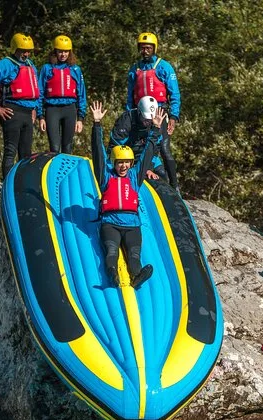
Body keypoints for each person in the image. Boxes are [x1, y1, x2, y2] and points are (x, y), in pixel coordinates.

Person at [90, 100, 165, 289]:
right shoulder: (105, 177)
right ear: (114, 163)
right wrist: (97, 124)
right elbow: (98, 153)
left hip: (132, 225)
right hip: (110, 224)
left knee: (134, 256)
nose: (123, 166)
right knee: (111, 252)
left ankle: (137, 275)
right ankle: (112, 274)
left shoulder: (134, 176)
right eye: (120, 162)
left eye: (126, 163)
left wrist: (156, 128)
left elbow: (148, 152)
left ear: (131, 164)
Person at [126, 32, 181, 190]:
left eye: (148, 48)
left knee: (164, 148)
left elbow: (175, 94)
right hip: (140, 114)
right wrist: (129, 115)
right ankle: (140, 180)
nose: (145, 51)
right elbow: (130, 96)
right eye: (143, 48)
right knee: (139, 147)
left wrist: (173, 117)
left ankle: (175, 187)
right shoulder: (134, 69)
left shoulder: (164, 67)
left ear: (154, 48)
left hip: (159, 112)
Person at [0, 33, 39, 178]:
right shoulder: (6, 64)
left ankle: (22, 184)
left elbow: (35, 88)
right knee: (10, 151)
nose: (26, 54)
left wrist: (35, 108)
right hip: (12, 112)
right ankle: (7, 185)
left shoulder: (31, 65)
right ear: (15, 49)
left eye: (28, 51)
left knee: (26, 153)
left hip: (28, 113)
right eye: (23, 51)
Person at [37, 35, 87, 153]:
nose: (63, 54)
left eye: (66, 51)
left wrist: (80, 118)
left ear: (70, 52)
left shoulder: (75, 69)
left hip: (70, 109)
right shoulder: (47, 68)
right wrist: (41, 116)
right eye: (60, 51)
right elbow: (39, 92)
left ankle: (66, 165)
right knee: (54, 147)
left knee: (67, 147)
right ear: (55, 51)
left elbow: (81, 93)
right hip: (52, 109)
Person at [108, 97, 169, 181]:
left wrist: (148, 168)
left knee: (162, 173)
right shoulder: (126, 121)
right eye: (145, 118)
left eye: (150, 119)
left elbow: (155, 149)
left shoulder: (156, 122)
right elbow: (115, 146)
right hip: (126, 156)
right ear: (139, 112)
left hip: (146, 155)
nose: (148, 122)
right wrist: (127, 164)